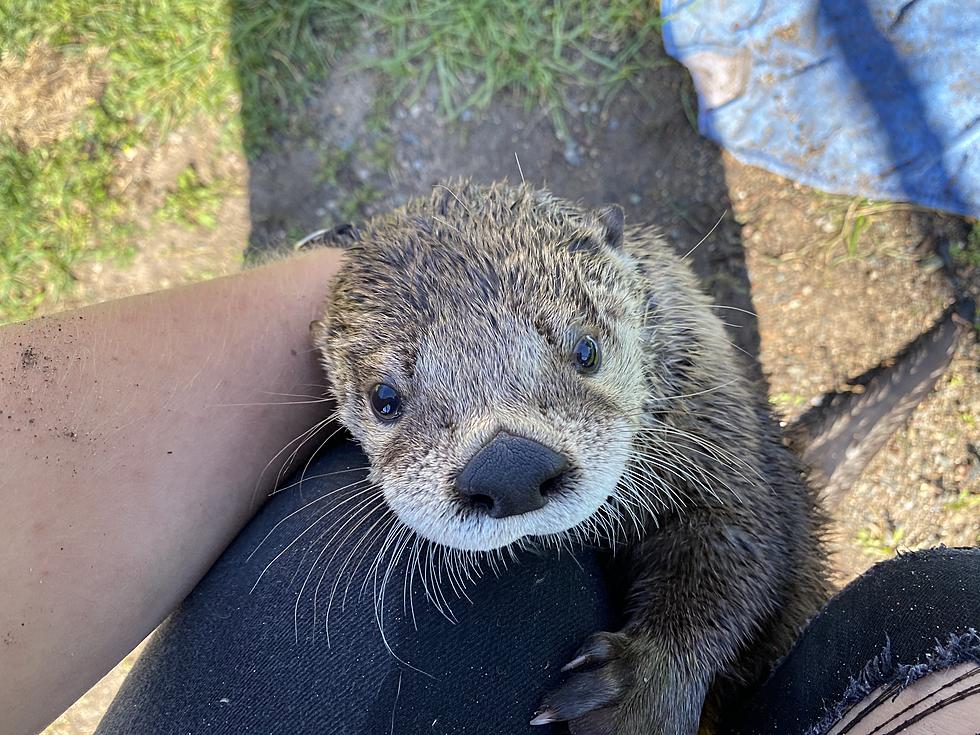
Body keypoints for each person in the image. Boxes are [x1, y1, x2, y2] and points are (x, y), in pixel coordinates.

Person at [1, 249, 977, 735]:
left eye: (581, 354)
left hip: (720, 658)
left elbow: (736, 530)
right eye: (387, 396)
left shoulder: (663, 329)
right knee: (940, 613)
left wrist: (671, 670)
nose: (504, 462)